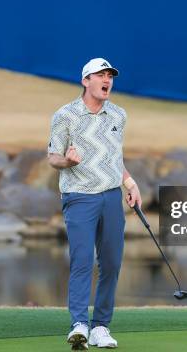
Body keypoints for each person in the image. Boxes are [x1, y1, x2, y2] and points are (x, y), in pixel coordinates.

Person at [47, 57, 142, 350]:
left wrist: (130, 183)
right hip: (79, 197)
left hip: (112, 196)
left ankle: (101, 326)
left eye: (110, 76)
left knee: (112, 262)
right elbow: (53, 158)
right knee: (83, 260)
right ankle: (79, 325)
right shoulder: (65, 115)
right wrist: (68, 160)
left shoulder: (118, 115)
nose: (107, 80)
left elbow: (115, 158)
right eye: (100, 75)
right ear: (85, 81)